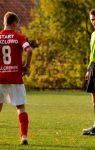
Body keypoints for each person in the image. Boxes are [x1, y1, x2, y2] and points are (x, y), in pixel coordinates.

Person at [0, 12, 32, 145]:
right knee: (20, 107)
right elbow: (29, 50)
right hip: (15, 77)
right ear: (14, 23)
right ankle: (23, 136)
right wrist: (26, 66)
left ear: (4, 22)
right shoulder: (18, 36)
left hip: (0, 77)